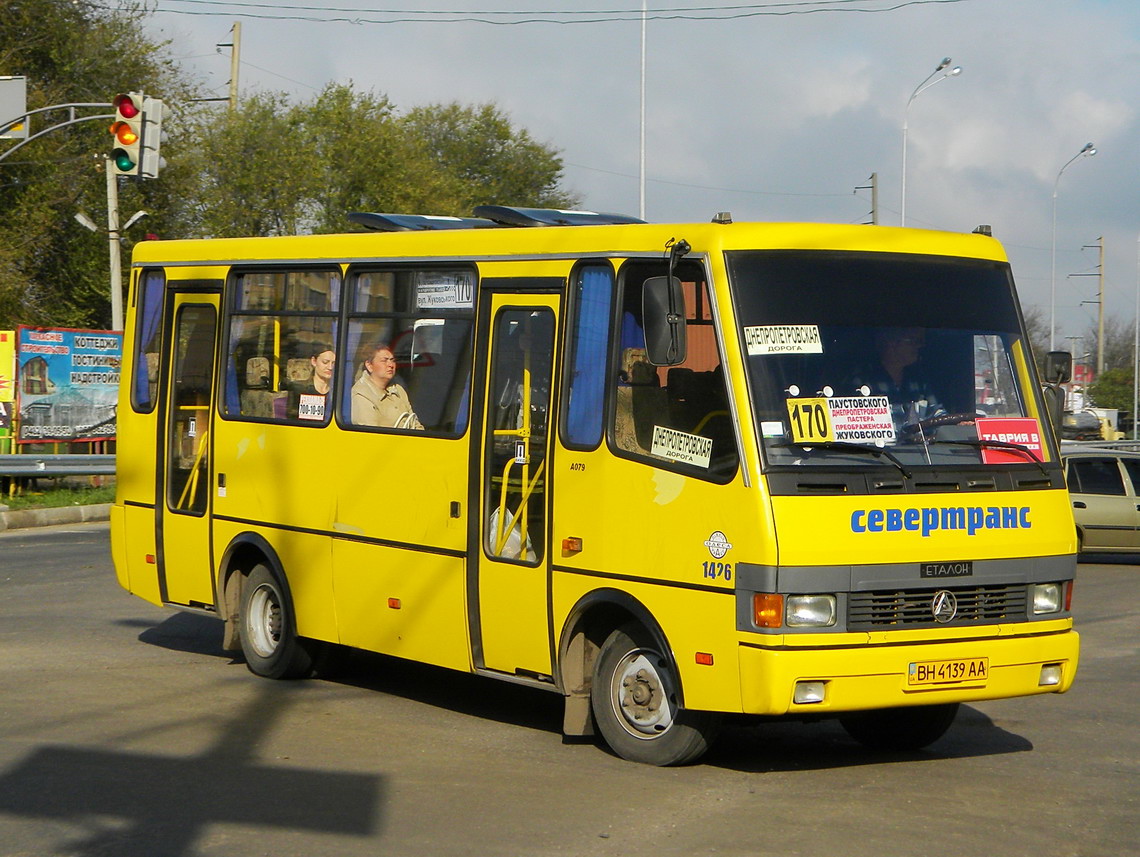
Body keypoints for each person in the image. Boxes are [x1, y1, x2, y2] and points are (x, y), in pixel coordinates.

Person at [852, 327, 944, 428]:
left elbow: (936, 412)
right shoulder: (863, 382)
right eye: (913, 341)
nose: (918, 346)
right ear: (891, 344)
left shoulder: (918, 380)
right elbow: (858, 426)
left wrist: (956, 424)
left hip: (922, 443)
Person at [351, 343, 423, 429]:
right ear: (369, 365)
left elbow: (415, 423)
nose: (390, 365)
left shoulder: (399, 389)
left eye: (392, 360)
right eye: (384, 360)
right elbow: (370, 436)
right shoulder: (362, 394)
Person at [287, 343, 334, 421]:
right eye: (325, 362)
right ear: (314, 361)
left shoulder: (338, 392)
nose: (330, 367)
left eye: (333, 363)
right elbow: (292, 418)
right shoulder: (299, 389)